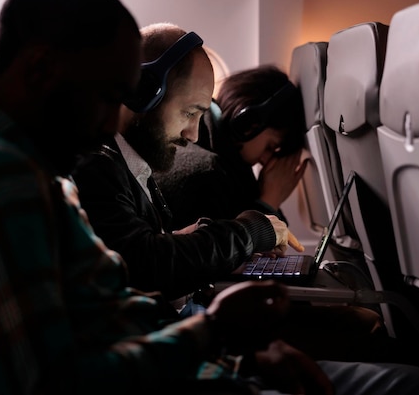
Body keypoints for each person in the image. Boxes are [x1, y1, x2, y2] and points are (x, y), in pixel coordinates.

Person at [0, 0, 419, 394]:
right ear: (40, 69)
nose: (111, 127)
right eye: (106, 99)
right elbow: (58, 381)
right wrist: (213, 331)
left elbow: (114, 309)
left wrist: (240, 355)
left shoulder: (33, 169)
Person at [72, 23, 298, 305]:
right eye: (189, 113)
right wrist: (249, 231)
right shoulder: (95, 164)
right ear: (142, 93)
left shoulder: (133, 164)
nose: (193, 135)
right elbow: (145, 265)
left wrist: (196, 237)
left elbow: (146, 245)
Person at [155, 65, 308, 230]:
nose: (265, 160)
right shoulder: (205, 174)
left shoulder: (227, 158)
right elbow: (230, 252)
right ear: (248, 122)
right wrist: (269, 201)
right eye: (270, 147)